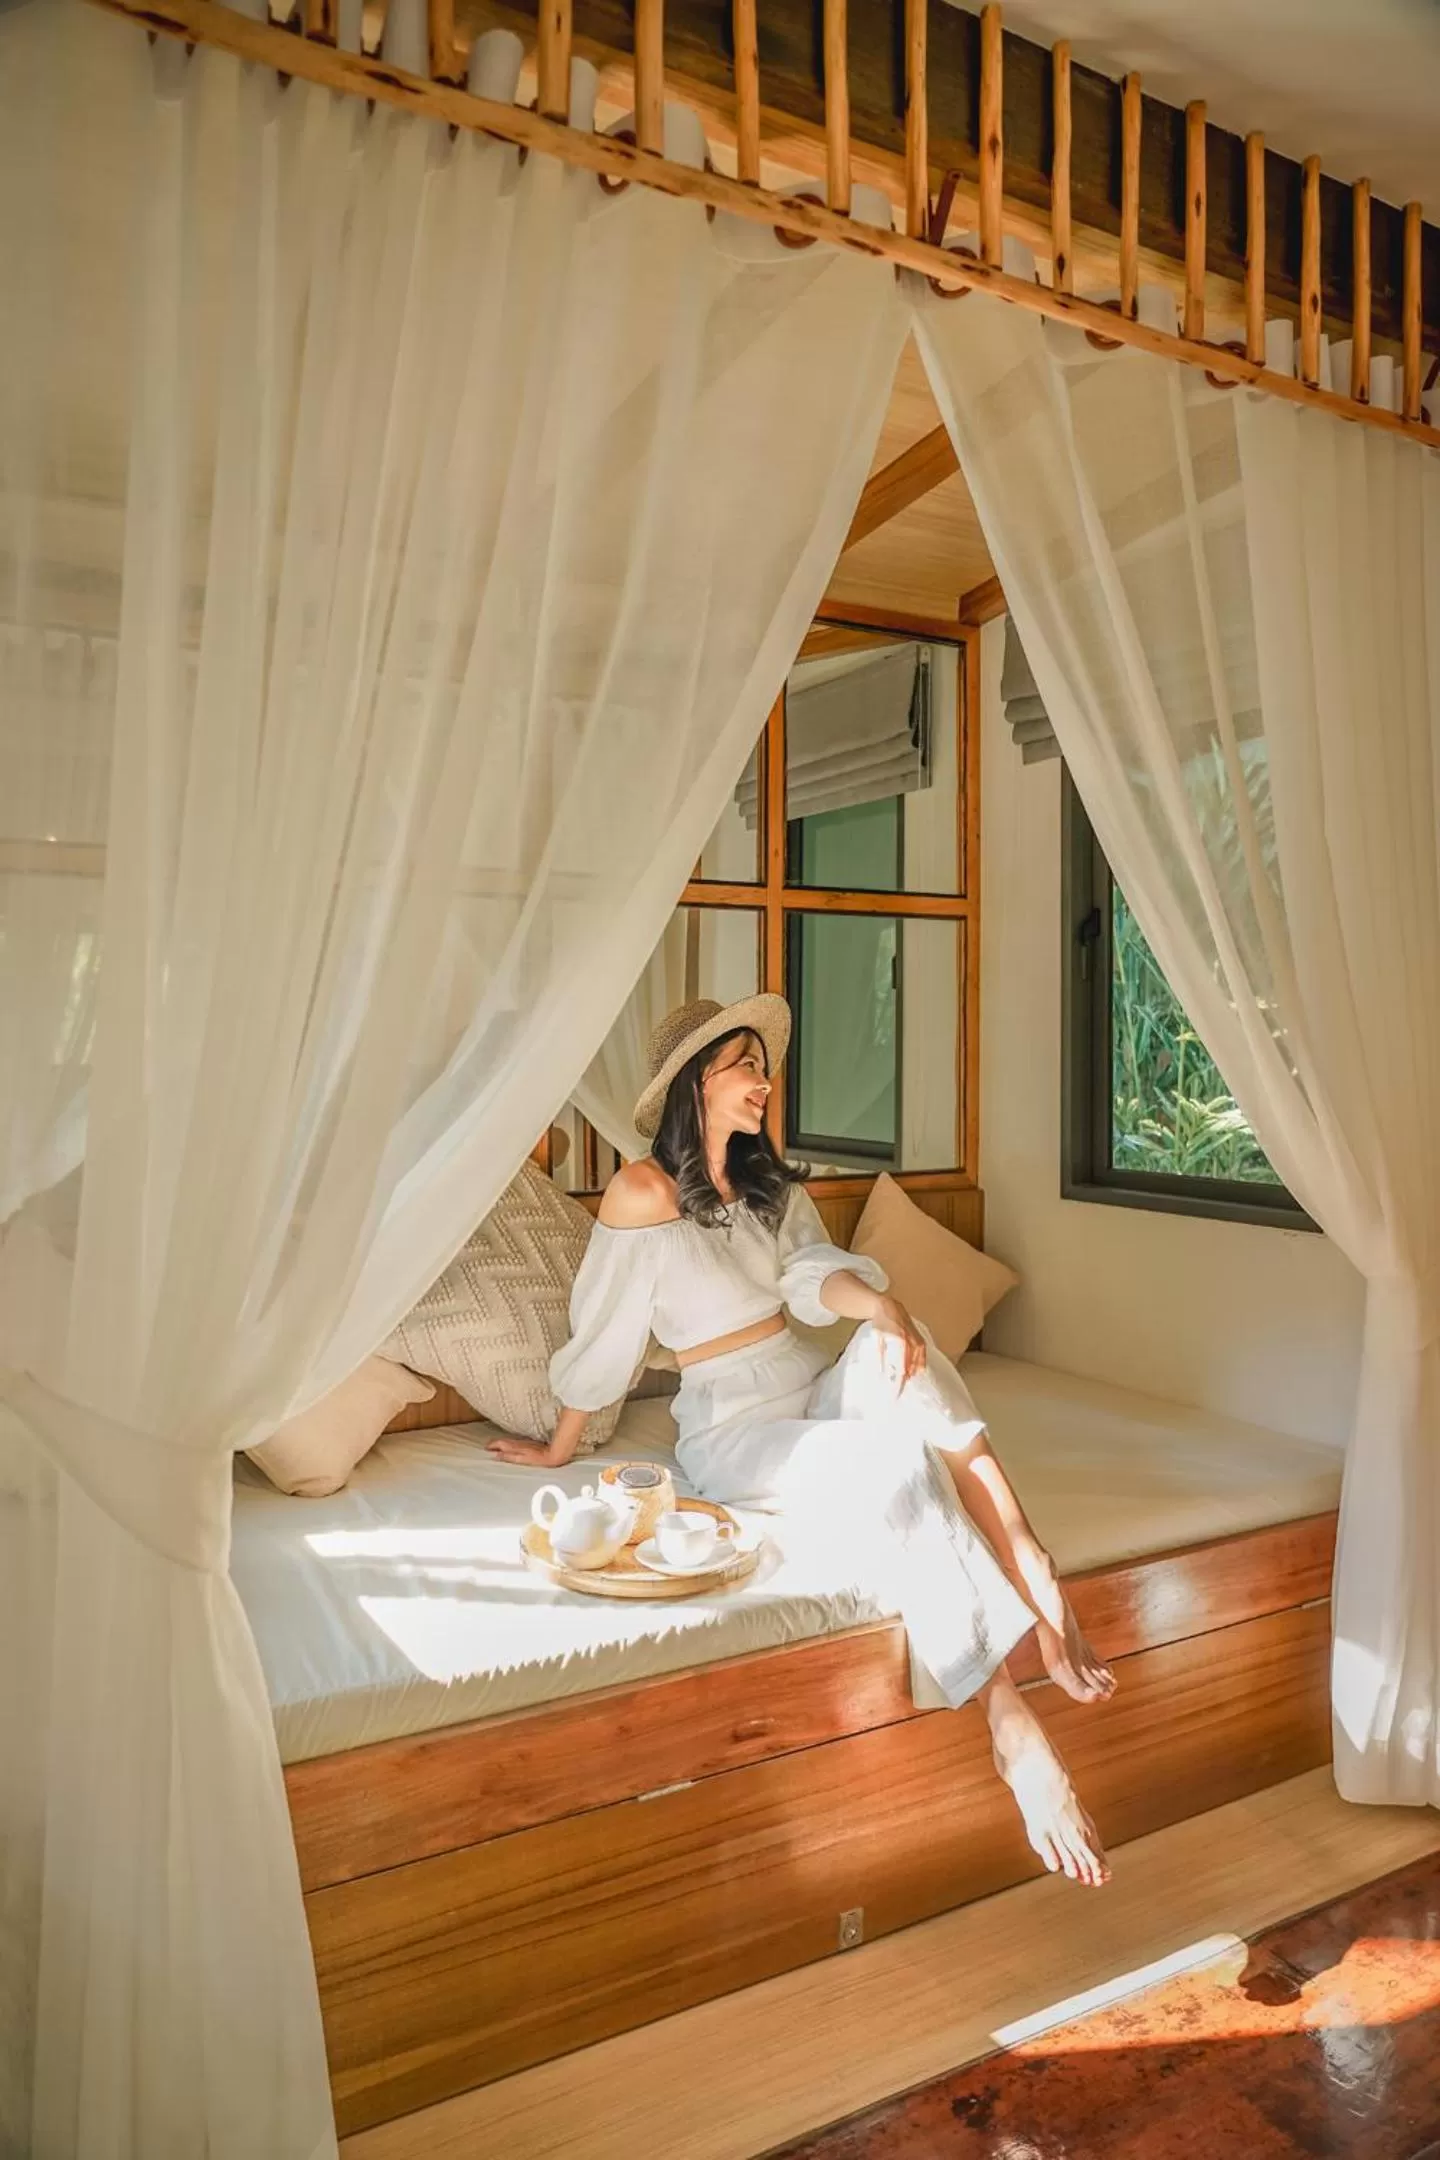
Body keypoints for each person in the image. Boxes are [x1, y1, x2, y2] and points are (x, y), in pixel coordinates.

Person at [488, 995, 1112, 1887]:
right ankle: (1006, 1714)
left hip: (805, 1384)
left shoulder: (769, 1187)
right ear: (695, 1081)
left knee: (909, 1341)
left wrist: (885, 1308)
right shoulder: (639, 1194)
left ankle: (1029, 1556)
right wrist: (560, 1448)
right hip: (733, 1430)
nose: (764, 1082)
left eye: (761, 1066)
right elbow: (602, 1341)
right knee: (892, 1464)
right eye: (746, 1064)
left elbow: (815, 1279)